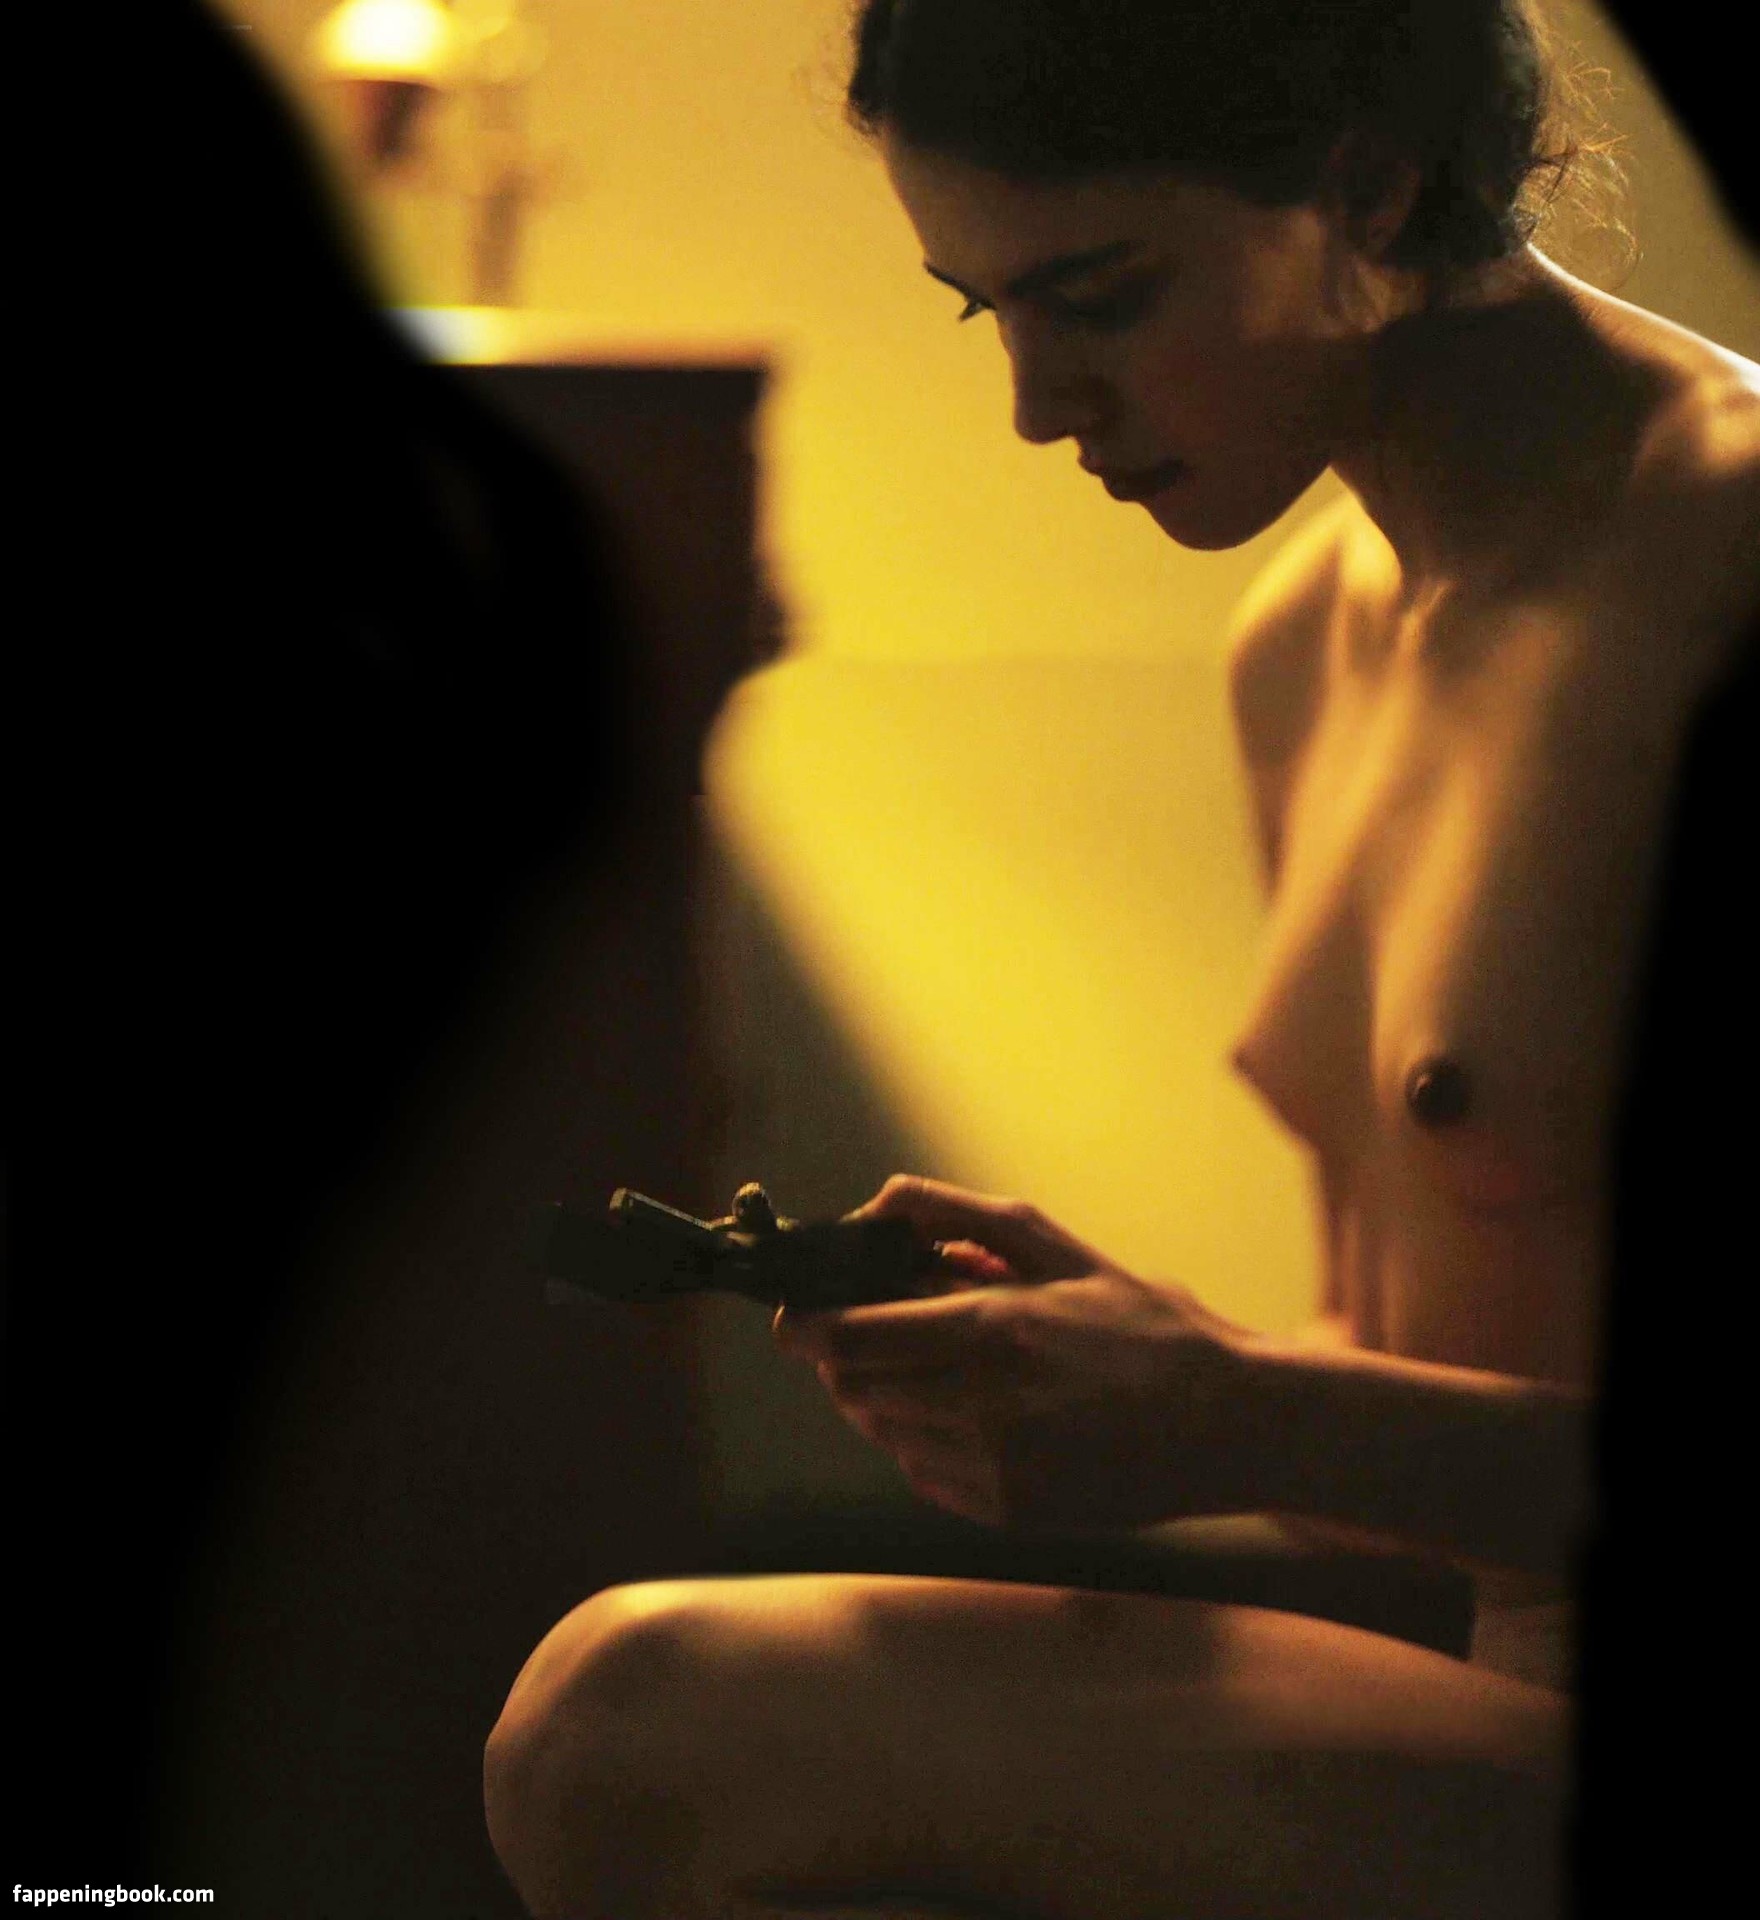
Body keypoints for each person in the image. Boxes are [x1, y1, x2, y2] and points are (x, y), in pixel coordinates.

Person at [482, 3, 1760, 1915]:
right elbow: (1410, 1438)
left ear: (1366, 191)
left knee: (637, 1716)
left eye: (1098, 292)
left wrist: (1247, 1412)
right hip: (1497, 1723)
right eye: (984, 309)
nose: (1036, 404)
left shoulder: (1725, 558)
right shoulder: (1305, 645)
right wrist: (1127, 1377)